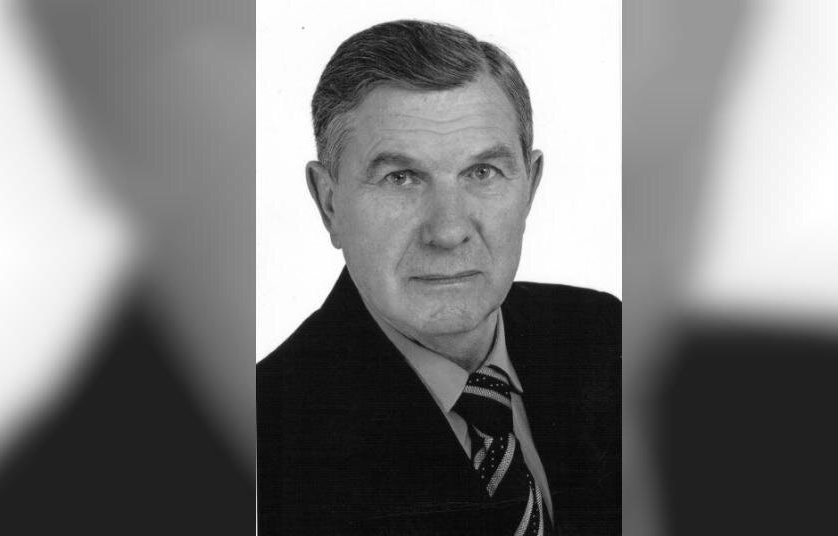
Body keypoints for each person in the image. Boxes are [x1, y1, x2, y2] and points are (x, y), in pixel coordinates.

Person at [257, 20, 620, 535]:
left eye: (482, 172)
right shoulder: (262, 441)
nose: (448, 231)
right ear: (329, 202)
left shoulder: (609, 337)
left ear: (531, 185)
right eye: (401, 178)